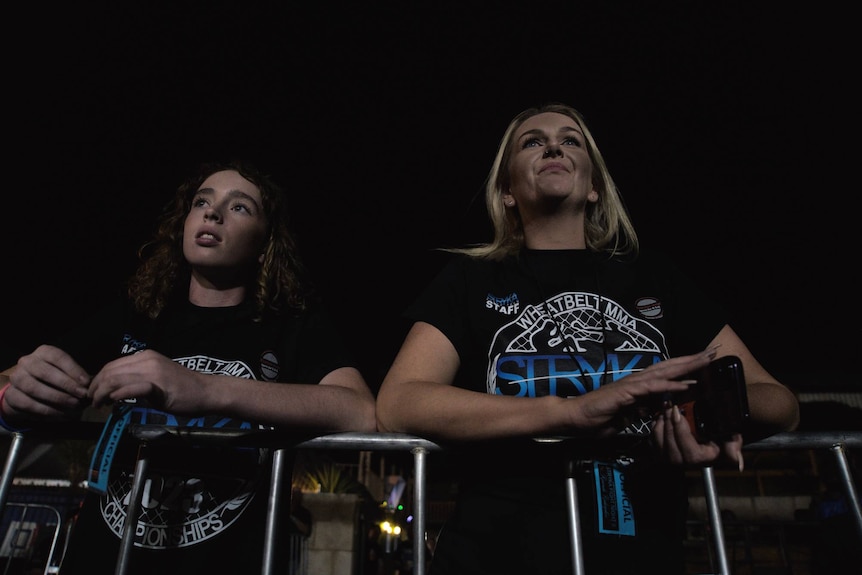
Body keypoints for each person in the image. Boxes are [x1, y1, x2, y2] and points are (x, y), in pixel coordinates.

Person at [375, 103, 800, 575]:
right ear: (507, 191)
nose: (554, 145)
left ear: (594, 186)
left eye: (570, 140)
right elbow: (399, 402)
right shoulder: (471, 280)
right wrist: (569, 412)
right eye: (532, 141)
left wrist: (698, 417)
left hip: (640, 548)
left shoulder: (654, 277)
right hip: (496, 549)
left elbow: (778, 401)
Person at [0, 159, 377, 574]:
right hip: (105, 560)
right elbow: (14, 381)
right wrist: (14, 393)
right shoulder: (140, 312)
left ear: (266, 241)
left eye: (240, 207)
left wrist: (206, 389)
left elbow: (359, 409)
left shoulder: (291, 322)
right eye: (202, 201)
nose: (212, 212)